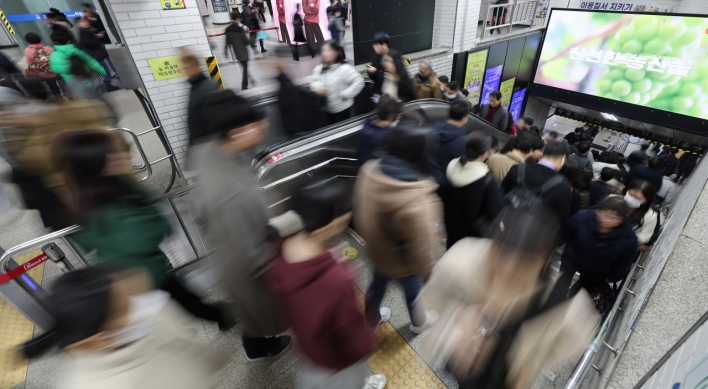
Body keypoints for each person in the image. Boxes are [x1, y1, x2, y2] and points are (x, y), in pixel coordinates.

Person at [53, 130, 232, 333]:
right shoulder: (113, 204)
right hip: (147, 275)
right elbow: (157, 232)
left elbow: (87, 244)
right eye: (110, 156)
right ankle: (218, 317)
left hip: (121, 276)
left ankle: (210, 318)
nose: (120, 157)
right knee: (186, 303)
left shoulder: (78, 200)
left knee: (179, 305)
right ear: (93, 165)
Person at [418, 207, 599, 389]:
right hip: (465, 364)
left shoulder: (564, 309)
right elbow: (437, 297)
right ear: (494, 241)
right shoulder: (460, 263)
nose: (509, 268)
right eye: (503, 251)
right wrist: (456, 321)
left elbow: (569, 343)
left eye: (526, 260)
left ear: (546, 259)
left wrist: (528, 363)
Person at [193, 90, 291, 360]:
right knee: (258, 312)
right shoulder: (229, 194)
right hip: (249, 270)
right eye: (258, 124)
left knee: (252, 316)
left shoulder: (211, 151)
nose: (265, 126)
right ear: (236, 132)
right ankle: (261, 347)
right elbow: (248, 257)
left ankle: (256, 345)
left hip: (235, 252)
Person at [267, 181, 387, 389]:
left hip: (311, 352)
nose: (346, 214)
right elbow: (355, 342)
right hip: (338, 363)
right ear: (324, 228)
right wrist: (370, 339)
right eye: (339, 212)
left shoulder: (281, 253)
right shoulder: (335, 280)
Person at [46, 267, 221, 389]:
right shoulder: (103, 384)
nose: (138, 305)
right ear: (95, 341)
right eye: (124, 309)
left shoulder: (132, 336)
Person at [354, 126, 443, 334]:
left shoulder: (370, 169)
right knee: (413, 292)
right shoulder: (417, 199)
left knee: (377, 286)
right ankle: (419, 323)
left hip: (378, 251)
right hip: (404, 263)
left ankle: (370, 320)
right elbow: (423, 251)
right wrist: (428, 272)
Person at [546, 196, 638, 308]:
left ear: (623, 219)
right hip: (572, 258)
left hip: (597, 271)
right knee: (561, 285)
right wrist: (551, 247)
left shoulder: (629, 238)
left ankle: (569, 306)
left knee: (581, 292)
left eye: (614, 218)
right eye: (606, 216)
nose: (608, 220)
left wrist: (614, 277)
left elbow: (625, 261)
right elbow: (563, 232)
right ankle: (554, 305)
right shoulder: (581, 217)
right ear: (599, 211)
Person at [442, 132, 503, 248]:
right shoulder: (487, 182)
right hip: (470, 238)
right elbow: (496, 214)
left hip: (449, 227)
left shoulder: (448, 166)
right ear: (485, 153)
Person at [501, 141, 573, 223]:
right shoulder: (564, 187)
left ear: (543, 152)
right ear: (563, 158)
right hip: (530, 232)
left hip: (504, 221)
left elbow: (501, 193)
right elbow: (559, 221)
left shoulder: (517, 168)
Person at [310, 41, 364, 124]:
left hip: (343, 110)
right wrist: (317, 87)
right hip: (326, 109)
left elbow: (359, 81)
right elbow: (313, 81)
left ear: (337, 52)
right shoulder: (319, 68)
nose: (325, 53)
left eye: (328, 50)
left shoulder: (345, 69)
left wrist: (345, 94)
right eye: (323, 50)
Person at [180, 49, 218, 147]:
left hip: (208, 151)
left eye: (185, 62)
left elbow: (214, 126)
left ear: (194, 64)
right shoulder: (196, 87)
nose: (183, 67)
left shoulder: (206, 89)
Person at [356, 95, 401, 166]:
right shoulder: (388, 135)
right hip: (376, 170)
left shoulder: (366, 125)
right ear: (391, 118)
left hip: (363, 166)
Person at [431, 100, 469, 186]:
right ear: (464, 119)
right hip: (444, 184)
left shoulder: (432, 129)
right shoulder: (464, 141)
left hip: (426, 177)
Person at [77, 18, 118, 92]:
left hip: (96, 53)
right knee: (105, 69)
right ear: (79, 24)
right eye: (83, 22)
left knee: (104, 68)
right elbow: (88, 42)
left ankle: (107, 84)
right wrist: (97, 37)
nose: (86, 23)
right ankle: (107, 84)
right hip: (96, 53)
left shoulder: (85, 31)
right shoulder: (83, 32)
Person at [23, 33, 62, 97]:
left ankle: (58, 97)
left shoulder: (27, 51)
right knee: (61, 83)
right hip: (55, 70)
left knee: (52, 86)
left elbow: (30, 63)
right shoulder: (48, 48)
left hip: (44, 72)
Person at [625, 180, 659, 252]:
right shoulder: (613, 199)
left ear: (646, 200)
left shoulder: (650, 216)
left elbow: (645, 236)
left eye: (637, 198)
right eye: (630, 194)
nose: (631, 199)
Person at [224, 12, 251, 90]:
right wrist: (251, 44)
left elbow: (227, 42)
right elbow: (246, 41)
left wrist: (225, 52)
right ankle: (244, 85)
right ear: (238, 18)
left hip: (236, 53)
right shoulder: (240, 29)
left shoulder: (228, 29)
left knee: (244, 67)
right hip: (244, 53)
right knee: (245, 68)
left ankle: (251, 80)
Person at [366, 32, 390, 96]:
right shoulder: (377, 55)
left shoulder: (392, 58)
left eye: (376, 44)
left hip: (386, 95)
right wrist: (371, 71)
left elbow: (389, 80)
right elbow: (372, 76)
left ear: (384, 45)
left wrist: (376, 72)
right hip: (377, 91)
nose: (373, 46)